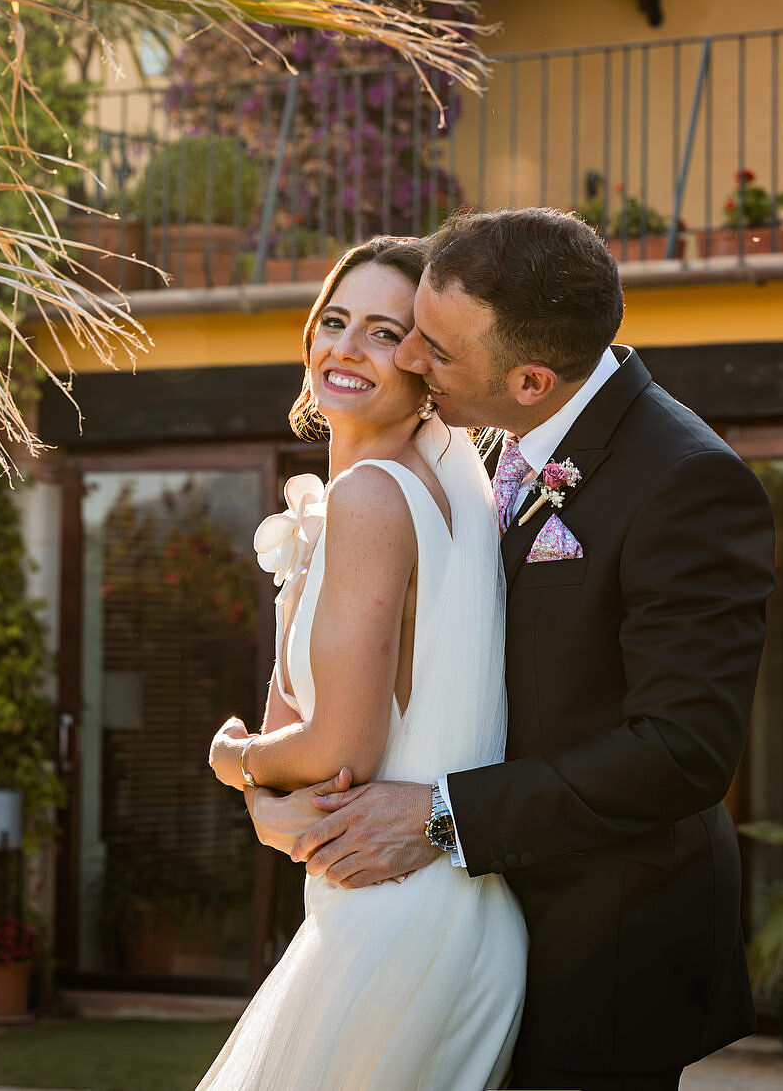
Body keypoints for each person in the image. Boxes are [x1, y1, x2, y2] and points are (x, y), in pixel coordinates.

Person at [286, 209, 776, 1090]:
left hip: (601, 940)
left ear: (531, 380)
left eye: (433, 350)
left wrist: (443, 814)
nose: (406, 361)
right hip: (471, 922)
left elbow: (682, 753)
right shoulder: (476, 449)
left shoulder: (688, 483)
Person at [196, 236, 526, 1091]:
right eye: (334, 320)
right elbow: (300, 733)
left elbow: (342, 746)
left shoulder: (371, 495)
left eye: (383, 332)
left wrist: (231, 763)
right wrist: (271, 801)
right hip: (444, 909)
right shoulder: (438, 488)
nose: (345, 347)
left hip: (393, 923)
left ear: (428, 365)